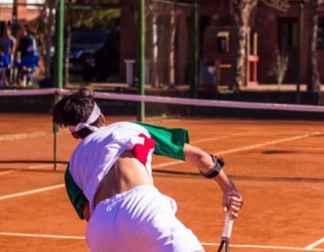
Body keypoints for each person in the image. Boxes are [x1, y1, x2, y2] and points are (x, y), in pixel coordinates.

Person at [52, 88, 243, 252]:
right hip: (141, 207)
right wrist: (229, 188)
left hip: (100, 227)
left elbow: (89, 214)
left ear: (75, 134)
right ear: (102, 117)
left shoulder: (73, 167)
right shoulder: (128, 128)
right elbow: (200, 157)